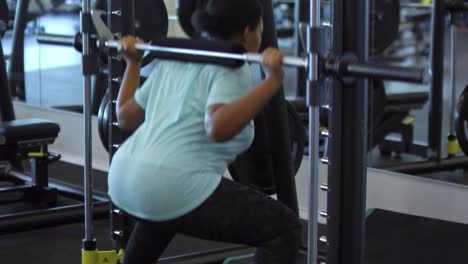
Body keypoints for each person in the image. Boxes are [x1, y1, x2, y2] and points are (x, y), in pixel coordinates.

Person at [107, 0, 302, 263]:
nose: (260, 36)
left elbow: (125, 117)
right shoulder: (232, 65)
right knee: (285, 229)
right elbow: (218, 127)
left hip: (124, 177)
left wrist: (133, 63)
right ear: (247, 32)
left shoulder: (177, 57)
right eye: (260, 29)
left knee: (164, 211)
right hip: (172, 182)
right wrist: (272, 81)